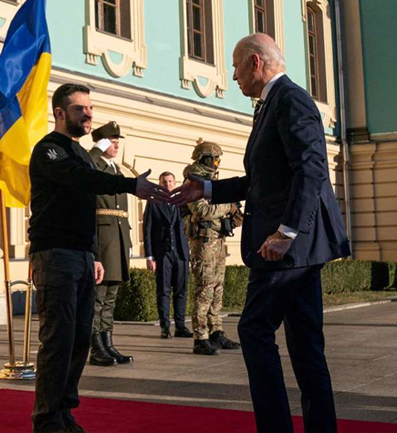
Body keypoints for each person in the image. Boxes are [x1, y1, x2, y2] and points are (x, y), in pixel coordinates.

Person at [170, 33, 351, 432]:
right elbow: (263, 181)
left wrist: (287, 231)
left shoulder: (290, 100)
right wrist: (209, 188)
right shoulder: (271, 105)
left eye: (235, 66)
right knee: (305, 348)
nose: (232, 75)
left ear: (255, 62)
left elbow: (311, 169)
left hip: (284, 248)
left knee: (254, 330)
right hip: (292, 248)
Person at [29, 83, 168, 433]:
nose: (89, 114)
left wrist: (93, 254)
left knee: (78, 340)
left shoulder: (79, 153)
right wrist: (128, 184)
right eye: (80, 109)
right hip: (55, 255)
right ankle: (47, 420)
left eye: (90, 108)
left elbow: (85, 210)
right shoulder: (49, 150)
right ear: (60, 113)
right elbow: (77, 179)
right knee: (58, 340)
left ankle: (64, 412)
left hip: (79, 255)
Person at [182, 140, 243, 356]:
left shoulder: (211, 180)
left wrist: (234, 214)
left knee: (218, 287)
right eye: (215, 159)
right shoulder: (193, 181)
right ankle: (201, 337)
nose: (217, 163)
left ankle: (216, 331)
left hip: (218, 239)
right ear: (204, 159)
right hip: (203, 242)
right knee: (205, 288)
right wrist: (229, 204)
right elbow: (202, 212)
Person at [87, 121, 134, 366]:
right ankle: (96, 349)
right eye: (112, 141)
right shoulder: (93, 163)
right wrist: (96, 149)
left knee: (111, 296)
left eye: (117, 142)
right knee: (99, 295)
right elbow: (83, 165)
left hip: (117, 239)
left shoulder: (115, 169)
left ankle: (108, 344)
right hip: (102, 239)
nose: (116, 145)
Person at [143, 171, 193, 339]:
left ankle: (180, 326)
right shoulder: (153, 203)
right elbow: (147, 230)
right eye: (164, 182)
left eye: (170, 181)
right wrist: (149, 256)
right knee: (163, 291)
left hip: (181, 252)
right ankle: (165, 327)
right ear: (160, 184)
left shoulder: (183, 202)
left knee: (181, 290)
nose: (168, 185)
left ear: (175, 182)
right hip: (162, 253)